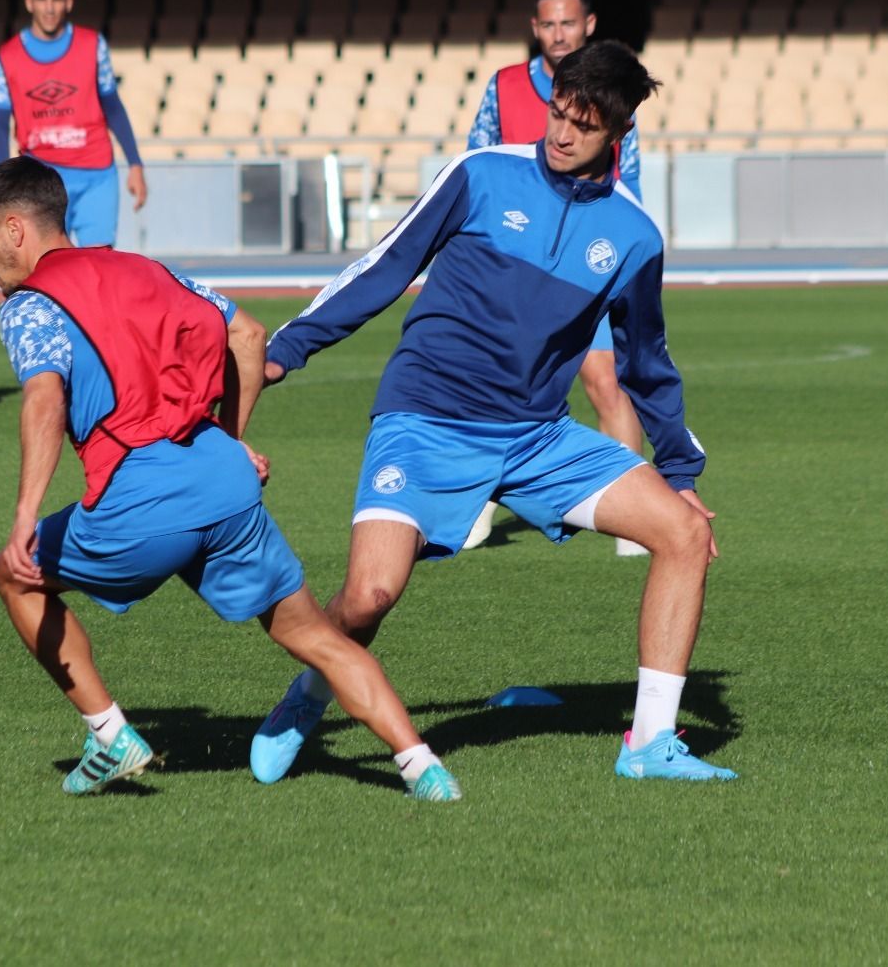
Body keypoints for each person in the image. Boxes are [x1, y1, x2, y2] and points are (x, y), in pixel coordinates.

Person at [251, 43, 736, 785]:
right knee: (369, 596)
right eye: (557, 112)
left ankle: (649, 743)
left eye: (584, 124)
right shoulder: (481, 174)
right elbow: (385, 265)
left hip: (535, 437)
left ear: (619, 134)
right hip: (426, 419)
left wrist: (680, 469)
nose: (561, 133)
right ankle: (310, 691)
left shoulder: (635, 237)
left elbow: (647, 362)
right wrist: (289, 347)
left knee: (684, 533)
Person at [0, 156, 460, 801]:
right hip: (222, 483)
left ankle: (109, 734)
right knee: (314, 638)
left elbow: (44, 402)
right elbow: (246, 334)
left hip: (141, 501)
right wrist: (230, 442)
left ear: (15, 229)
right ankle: (423, 768)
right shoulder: (147, 267)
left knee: (13, 574)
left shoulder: (30, 306)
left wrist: (26, 514)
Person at [465, 0, 644, 553]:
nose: (559, 34)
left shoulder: (613, 90)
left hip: (584, 263)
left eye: (568, 23)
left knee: (605, 382)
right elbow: (477, 160)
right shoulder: (505, 86)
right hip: (514, 266)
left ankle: (637, 521)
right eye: (548, 25)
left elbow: (630, 179)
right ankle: (478, 509)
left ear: (588, 25)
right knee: (501, 383)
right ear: (534, 28)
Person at [0, 0, 147, 247]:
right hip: (41, 180)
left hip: (96, 175)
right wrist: (5, 178)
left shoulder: (93, 45)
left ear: (68, 2)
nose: (49, 9)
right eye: (42, 0)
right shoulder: (8, 55)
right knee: (46, 271)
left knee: (97, 269)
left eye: (56, 0)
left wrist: (134, 163)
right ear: (29, 3)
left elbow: (113, 107)